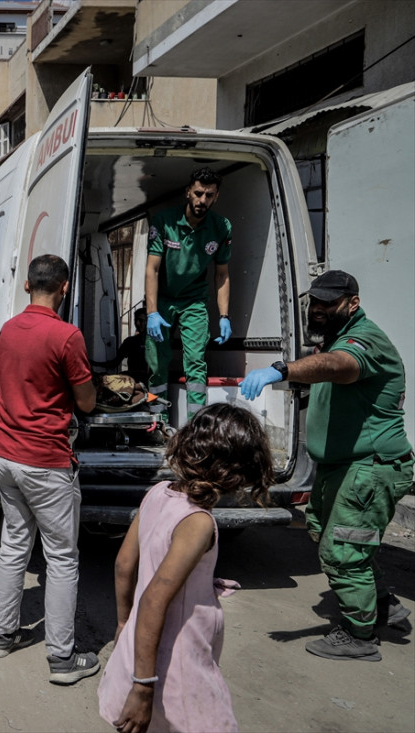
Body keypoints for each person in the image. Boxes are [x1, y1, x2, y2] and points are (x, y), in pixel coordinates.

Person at [241, 270, 413, 661]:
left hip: (370, 466)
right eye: (313, 303)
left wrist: (282, 369)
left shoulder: (361, 341)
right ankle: (381, 604)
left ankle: (360, 636)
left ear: (352, 303)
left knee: (343, 549)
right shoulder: (336, 339)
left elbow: (340, 366)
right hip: (343, 466)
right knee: (326, 531)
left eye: (327, 303)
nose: (317, 310)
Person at [98, 403, 273, 732]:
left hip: (141, 644)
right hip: (175, 658)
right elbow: (153, 599)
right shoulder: (197, 522)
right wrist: (143, 687)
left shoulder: (157, 492)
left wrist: (124, 623)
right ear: (233, 472)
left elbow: (124, 565)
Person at [0, 254, 100, 683]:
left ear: (26, 286)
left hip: (6, 455)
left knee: (14, 546)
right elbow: (86, 401)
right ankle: (62, 659)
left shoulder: (7, 332)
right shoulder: (67, 336)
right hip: (46, 460)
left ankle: (1, 636)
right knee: (62, 558)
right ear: (65, 288)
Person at [145, 167, 232, 420]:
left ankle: (197, 425)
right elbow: (152, 269)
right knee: (157, 364)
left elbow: (222, 274)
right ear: (188, 192)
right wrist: (151, 312)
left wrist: (224, 316)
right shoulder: (164, 222)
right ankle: (156, 420)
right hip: (162, 300)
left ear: (216, 197)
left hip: (194, 301)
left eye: (209, 195)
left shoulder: (221, 227)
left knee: (195, 362)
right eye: (198, 193)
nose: (202, 200)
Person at [109, 306, 149, 384]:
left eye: (141, 320)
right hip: (132, 381)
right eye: (136, 320)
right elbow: (115, 362)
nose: (137, 323)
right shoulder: (130, 341)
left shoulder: (157, 343)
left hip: (148, 383)